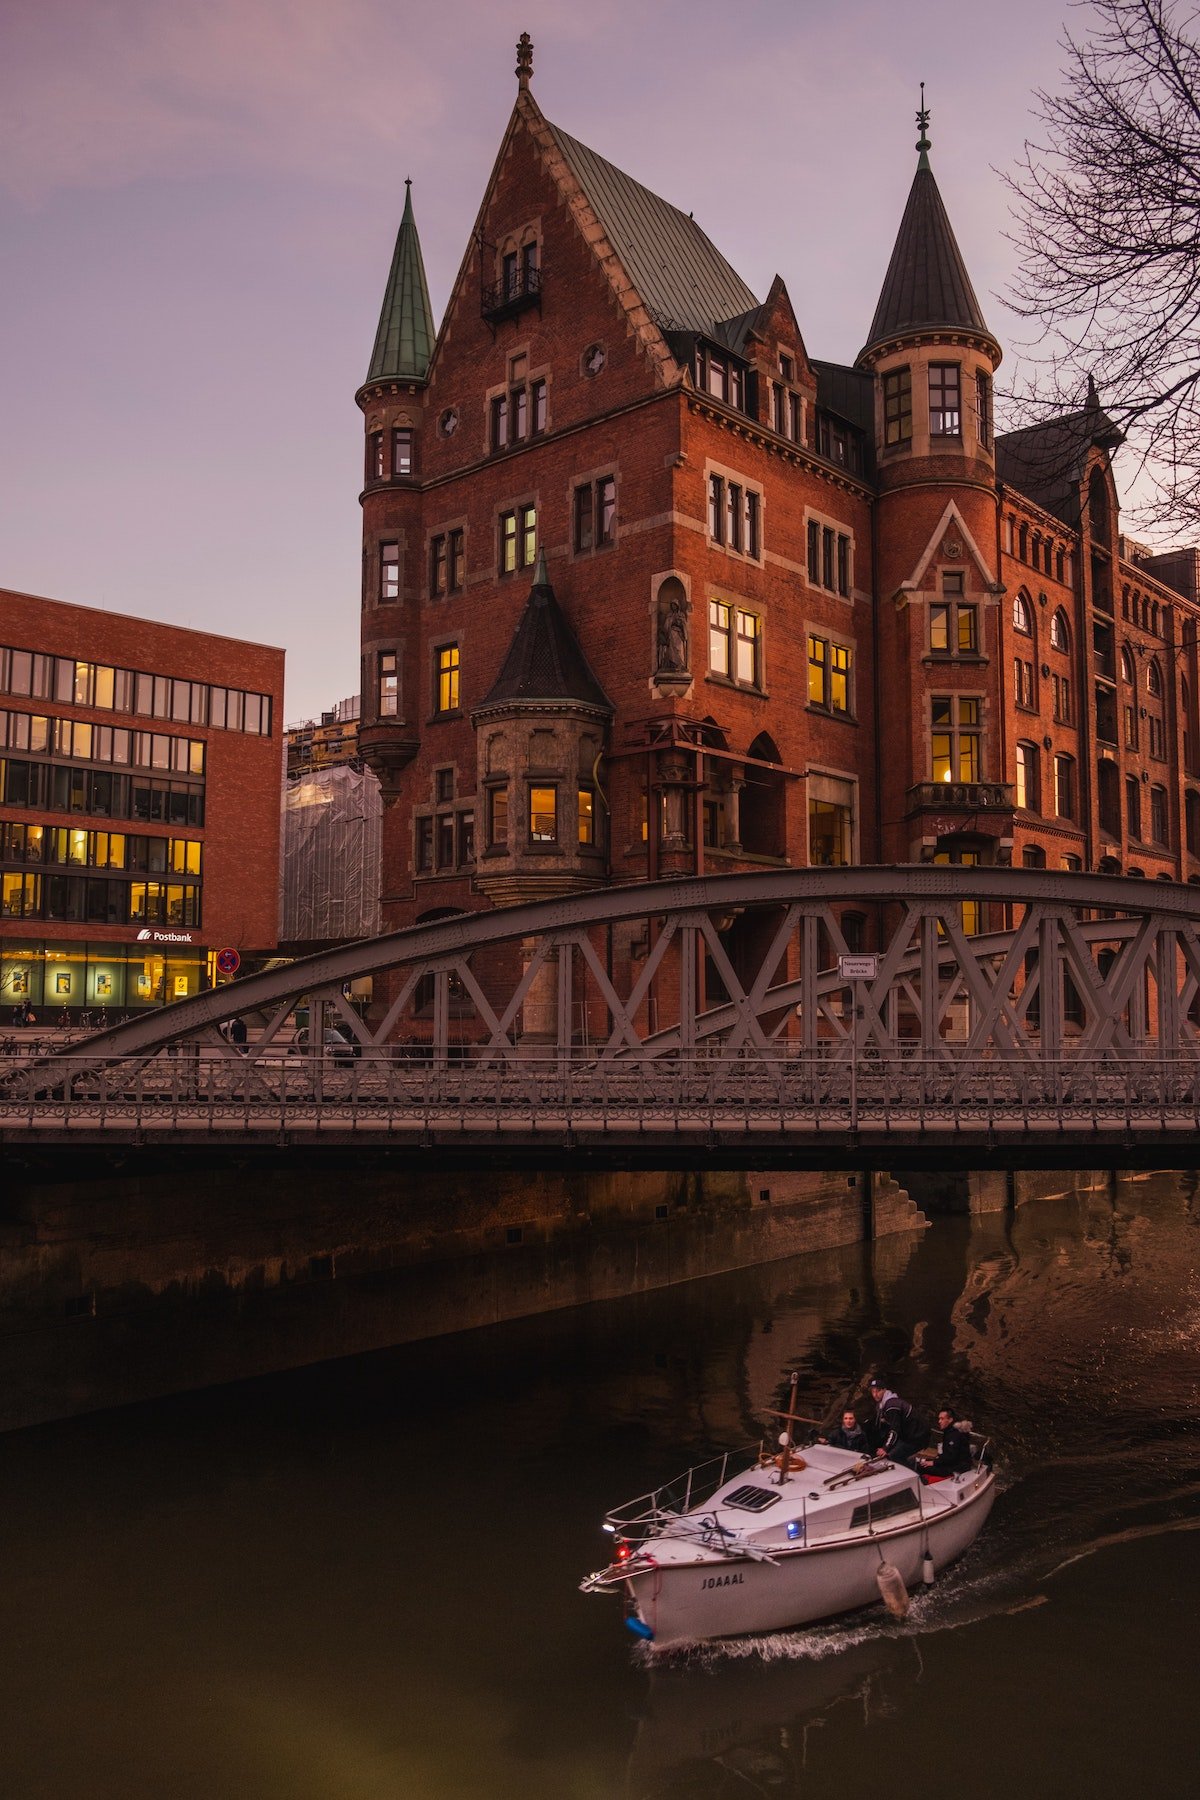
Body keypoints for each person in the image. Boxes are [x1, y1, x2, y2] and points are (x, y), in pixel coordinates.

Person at [866, 1376, 930, 1468]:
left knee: (893, 1456)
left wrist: (885, 1448)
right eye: (873, 1391)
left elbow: (894, 1429)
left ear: (884, 1390)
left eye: (878, 1391)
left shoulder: (891, 1406)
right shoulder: (885, 1404)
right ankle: (912, 1463)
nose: (875, 1394)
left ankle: (916, 1475)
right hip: (909, 1434)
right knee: (894, 1452)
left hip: (917, 1436)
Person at [916, 1408, 974, 1477]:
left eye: (942, 1419)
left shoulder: (954, 1435)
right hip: (955, 1463)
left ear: (950, 1420)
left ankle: (923, 1482)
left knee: (919, 1466)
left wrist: (934, 1462)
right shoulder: (951, 1430)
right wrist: (936, 1460)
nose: (939, 1421)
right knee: (924, 1461)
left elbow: (951, 1457)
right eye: (939, 1419)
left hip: (957, 1467)